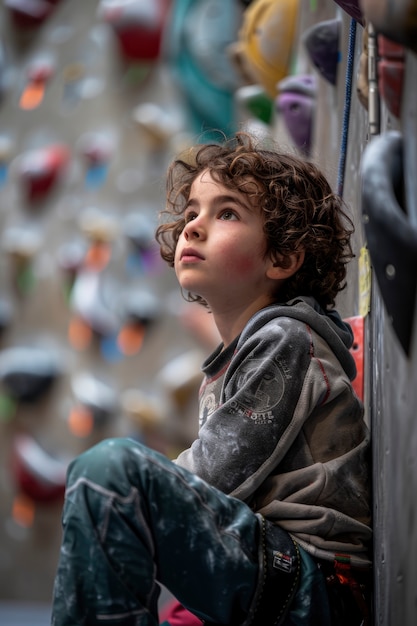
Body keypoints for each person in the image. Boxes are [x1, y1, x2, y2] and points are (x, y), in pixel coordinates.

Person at [51, 131, 372, 626]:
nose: (193, 227)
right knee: (105, 478)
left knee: (111, 473)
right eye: (192, 213)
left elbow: (213, 480)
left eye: (226, 213)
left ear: (282, 259)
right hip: (283, 577)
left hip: (321, 590)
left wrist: (135, 492)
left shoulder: (285, 340)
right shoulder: (241, 355)